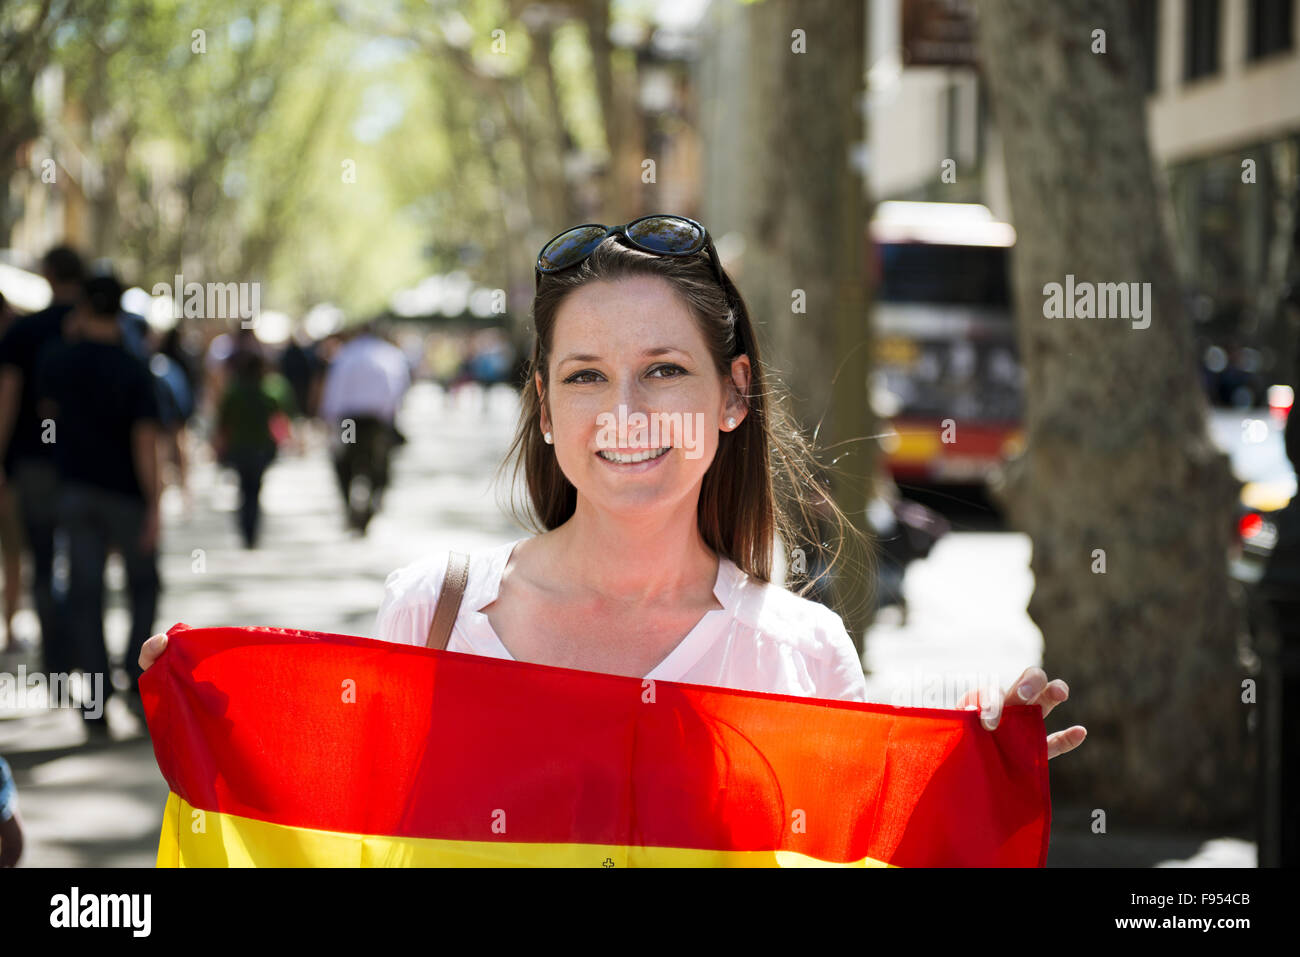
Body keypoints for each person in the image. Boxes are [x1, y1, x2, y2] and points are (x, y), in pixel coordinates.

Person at [139, 214, 1086, 760]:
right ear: (546, 408)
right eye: (587, 375)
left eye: (665, 369)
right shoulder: (433, 614)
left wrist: (961, 793)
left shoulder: (803, 657)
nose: (625, 412)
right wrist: (226, 728)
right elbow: (351, 837)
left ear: (734, 395)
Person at [38, 274, 162, 736]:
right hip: (126, 495)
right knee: (143, 584)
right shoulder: (134, 367)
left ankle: (95, 704)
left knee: (85, 596)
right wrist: (154, 502)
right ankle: (137, 678)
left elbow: (47, 418)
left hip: (75, 491)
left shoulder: (58, 361)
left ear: (84, 309)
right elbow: (145, 439)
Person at [0, 245, 85, 675]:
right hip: (89, 467)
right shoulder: (102, 329)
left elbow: (8, 399)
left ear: (49, 275)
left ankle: (56, 661)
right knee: (82, 565)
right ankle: (85, 660)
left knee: (45, 557)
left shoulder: (24, 332)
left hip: (33, 463)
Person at [318, 321, 411, 533]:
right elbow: (398, 388)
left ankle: (352, 506)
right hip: (376, 421)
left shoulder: (346, 355)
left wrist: (329, 417)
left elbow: (335, 389)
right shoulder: (389, 355)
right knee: (378, 466)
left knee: (346, 462)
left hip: (351, 420)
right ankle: (370, 505)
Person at [213, 349, 295, 548]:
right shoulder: (268, 394)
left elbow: (223, 425)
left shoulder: (234, 393)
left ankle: (246, 528)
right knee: (254, 489)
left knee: (244, 489)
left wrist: (218, 447)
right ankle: (251, 530)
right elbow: (280, 421)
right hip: (260, 450)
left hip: (240, 449)